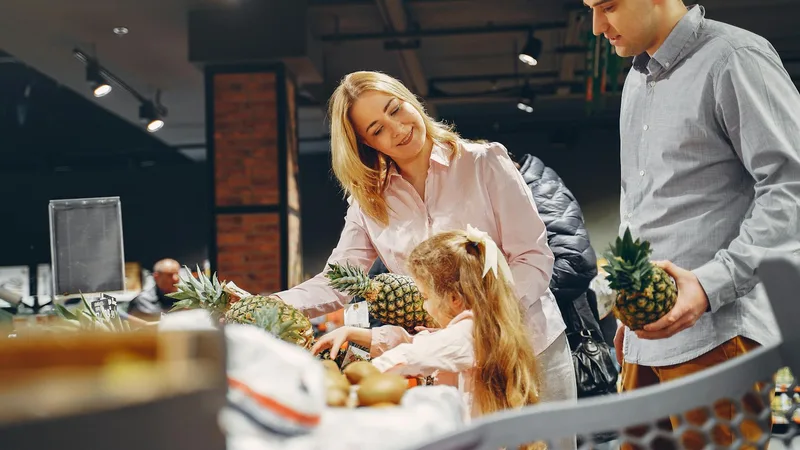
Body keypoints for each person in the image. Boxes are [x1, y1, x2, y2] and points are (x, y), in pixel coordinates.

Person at [271, 70, 576, 439]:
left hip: (529, 349)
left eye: (396, 110)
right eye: (377, 129)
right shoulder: (370, 202)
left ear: (410, 100)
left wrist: (485, 320)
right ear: (366, 144)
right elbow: (335, 282)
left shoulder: (484, 162)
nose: (397, 129)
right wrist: (266, 306)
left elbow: (532, 258)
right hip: (448, 369)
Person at [587, 0, 800, 447]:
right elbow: (641, 205)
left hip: (722, 339)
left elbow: (791, 187)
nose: (596, 27)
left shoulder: (734, 57)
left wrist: (709, 285)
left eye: (607, 6)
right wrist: (632, 304)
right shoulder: (636, 80)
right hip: (645, 344)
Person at [312, 227, 542, 429]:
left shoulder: (466, 333)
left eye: (424, 297)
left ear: (453, 298)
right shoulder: (480, 325)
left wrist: (358, 383)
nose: (423, 306)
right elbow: (416, 342)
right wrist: (354, 333)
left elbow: (412, 354)